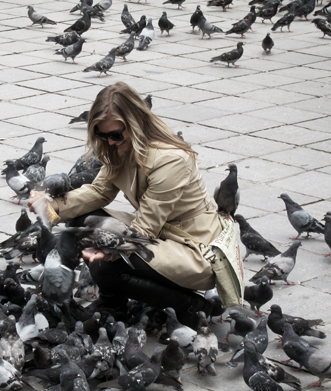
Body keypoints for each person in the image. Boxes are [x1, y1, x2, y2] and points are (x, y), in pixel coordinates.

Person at [28, 82, 221, 328]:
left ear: (137, 123)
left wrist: (109, 249)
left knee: (111, 258)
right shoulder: (122, 147)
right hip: (158, 233)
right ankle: (112, 305)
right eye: (102, 135)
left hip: (193, 246)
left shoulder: (170, 159)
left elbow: (145, 229)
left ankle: (191, 306)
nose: (109, 142)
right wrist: (51, 207)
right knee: (83, 223)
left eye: (116, 134)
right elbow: (99, 192)